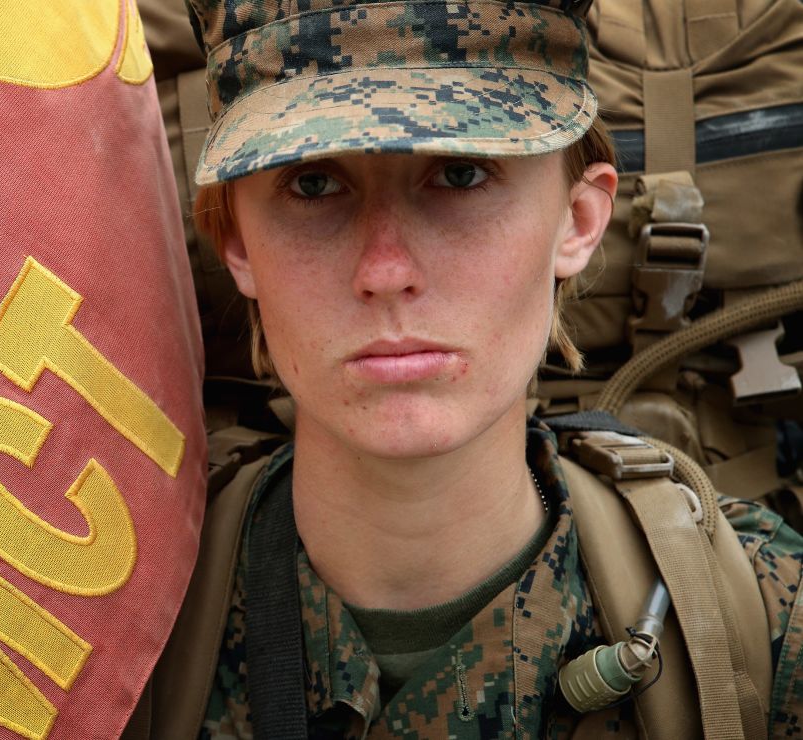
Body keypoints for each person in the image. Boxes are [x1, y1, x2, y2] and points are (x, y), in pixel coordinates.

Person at [131, 0, 803, 737]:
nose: (386, 270)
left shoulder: (769, 622)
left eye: (459, 175)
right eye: (314, 185)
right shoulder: (113, 629)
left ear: (578, 222)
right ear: (235, 246)